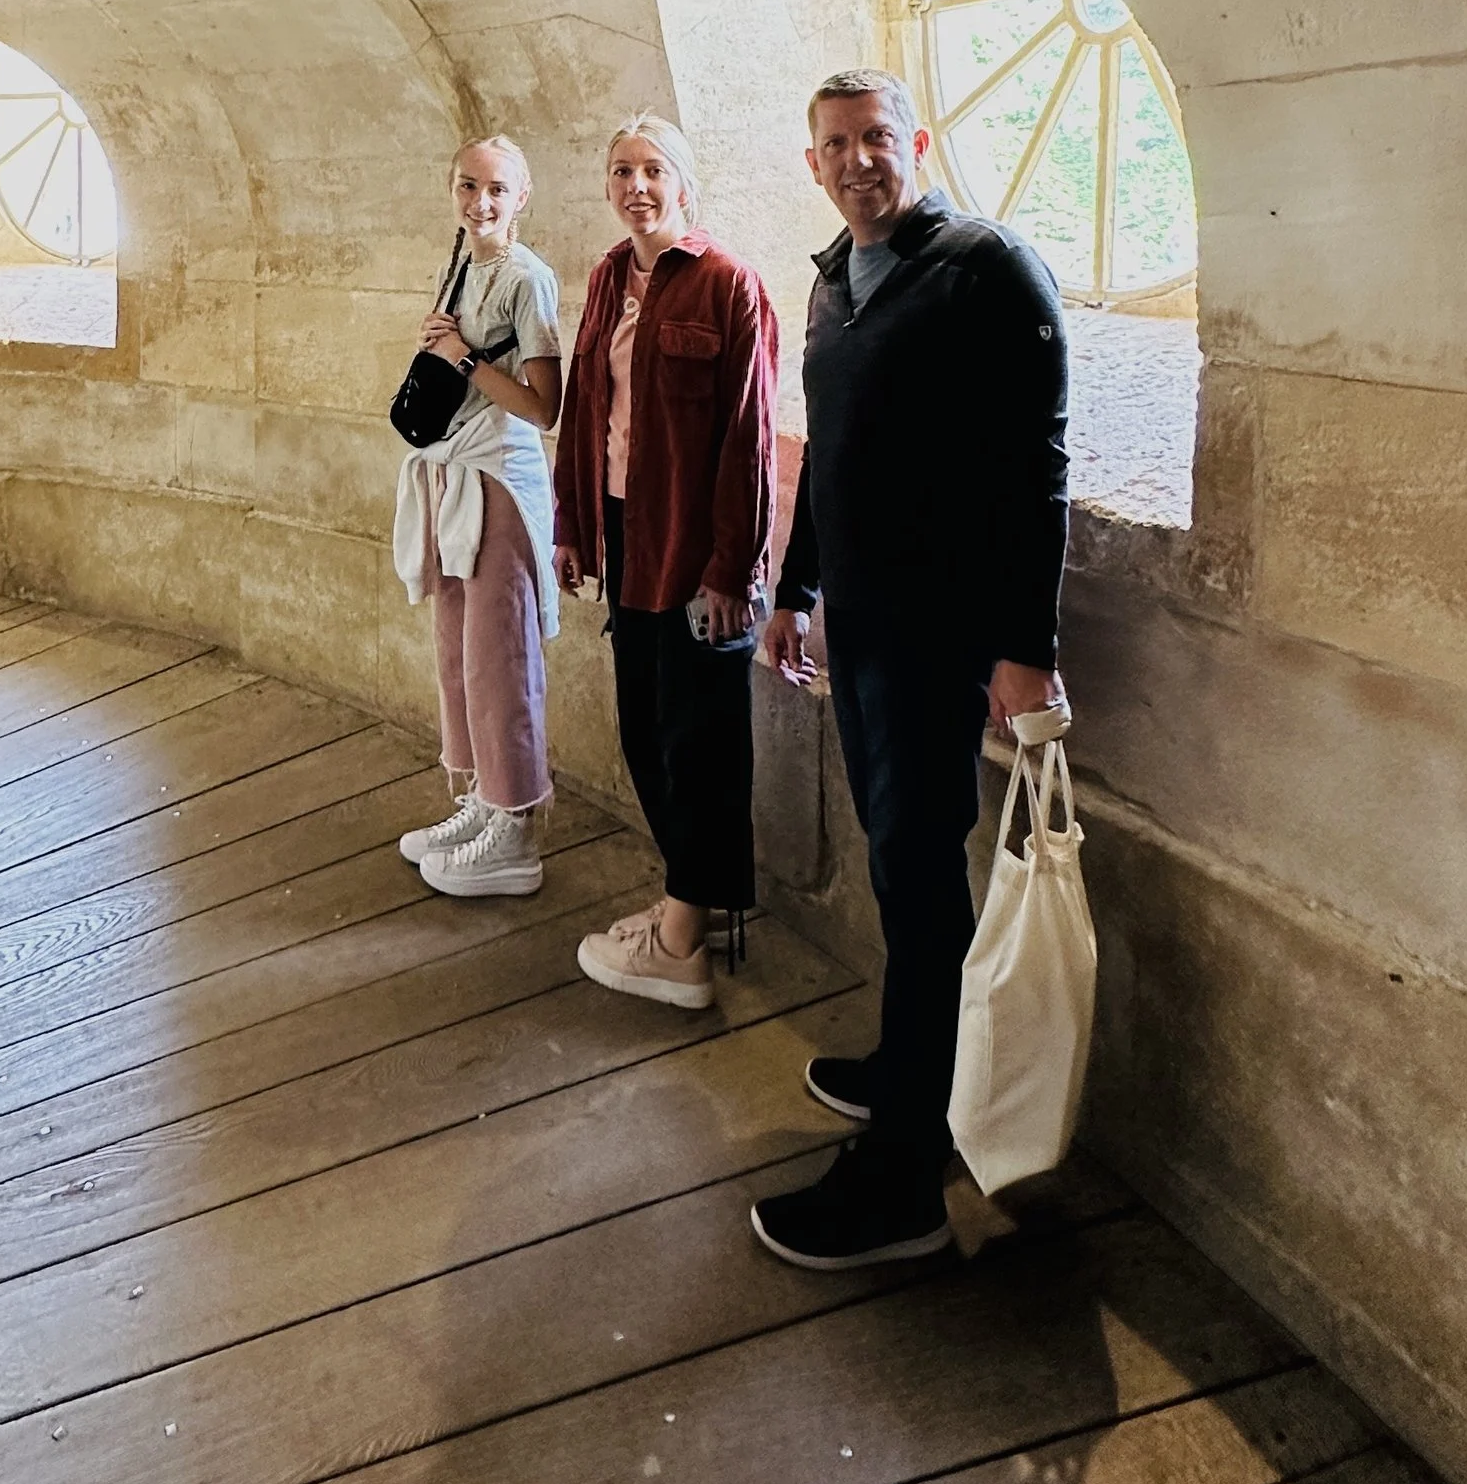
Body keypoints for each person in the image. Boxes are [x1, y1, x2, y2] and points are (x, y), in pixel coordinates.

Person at [752, 68, 1070, 1271]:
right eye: (833, 143)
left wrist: (1024, 651)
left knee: (922, 869)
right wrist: (795, 589)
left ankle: (902, 1182)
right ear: (813, 162)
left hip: (942, 638)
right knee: (897, 862)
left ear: (914, 142)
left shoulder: (984, 270)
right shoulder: (835, 277)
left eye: (875, 137)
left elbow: (1034, 470)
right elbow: (831, 453)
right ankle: (907, 1067)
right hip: (862, 634)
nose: (855, 160)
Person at [553, 114, 777, 1008]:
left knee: (700, 744)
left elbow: (748, 439)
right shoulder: (610, 278)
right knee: (646, 734)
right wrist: (575, 525)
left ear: (684, 184)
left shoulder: (728, 284)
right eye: (621, 171)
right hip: (624, 530)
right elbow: (585, 413)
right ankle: (687, 905)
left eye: (652, 170)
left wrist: (733, 570)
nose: (636, 186)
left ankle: (683, 940)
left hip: (695, 547)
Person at [392, 136, 565, 897]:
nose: (481, 203)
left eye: (497, 189)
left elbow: (544, 407)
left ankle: (517, 825)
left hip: (498, 473)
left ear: (522, 195)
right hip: (453, 469)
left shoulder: (528, 278)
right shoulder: (462, 259)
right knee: (458, 641)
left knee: (500, 651)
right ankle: (481, 796)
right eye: (468, 185)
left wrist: (462, 357)